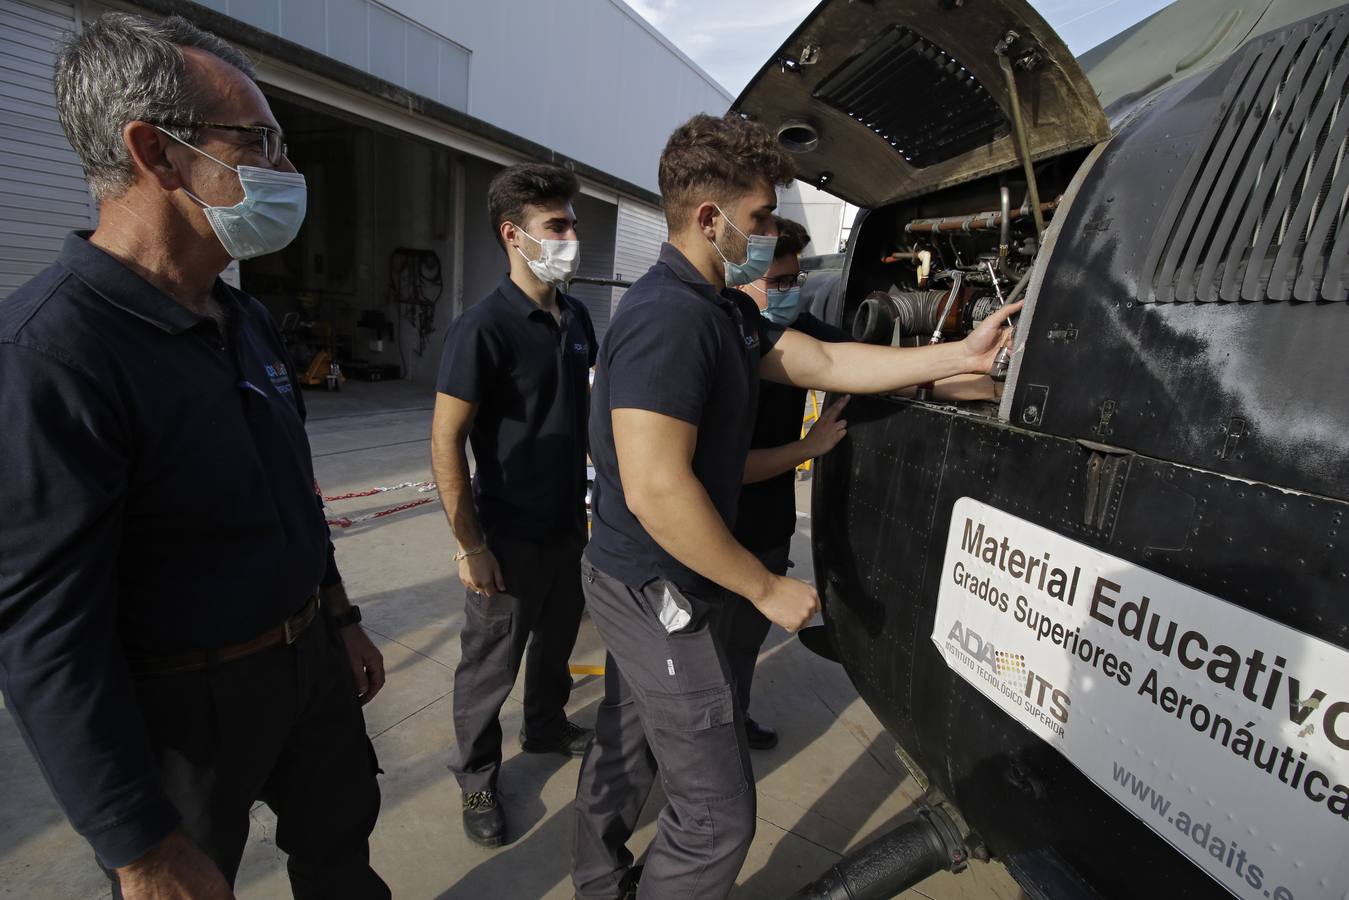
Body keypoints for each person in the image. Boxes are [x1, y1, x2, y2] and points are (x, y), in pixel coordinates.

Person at [571, 112, 1020, 900]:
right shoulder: (667, 320)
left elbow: (824, 358)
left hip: (670, 583)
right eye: (759, 216)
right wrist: (764, 587)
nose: (770, 230)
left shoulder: (723, 312)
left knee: (643, 747)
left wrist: (959, 352)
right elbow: (654, 489)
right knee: (714, 817)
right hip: (654, 589)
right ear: (708, 219)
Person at [0, 14, 388, 899]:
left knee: (343, 860)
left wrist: (338, 614)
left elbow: (291, 489)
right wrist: (139, 846)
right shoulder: (50, 358)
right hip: (182, 719)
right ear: (157, 152)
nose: (288, 172)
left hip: (307, 669)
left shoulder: (240, 315)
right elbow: (45, 639)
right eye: (260, 142)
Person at [430, 163, 597, 849]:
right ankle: (475, 774)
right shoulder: (484, 328)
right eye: (555, 226)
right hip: (506, 536)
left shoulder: (576, 316)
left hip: (567, 527)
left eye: (571, 224)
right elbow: (446, 440)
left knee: (556, 645)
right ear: (512, 235)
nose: (570, 238)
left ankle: (548, 725)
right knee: (489, 666)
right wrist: (471, 545)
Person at [726, 216, 851, 751]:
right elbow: (727, 467)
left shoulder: (800, 333)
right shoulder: (718, 343)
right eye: (777, 283)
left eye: (795, 280)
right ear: (738, 279)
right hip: (715, 538)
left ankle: (732, 718)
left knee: (742, 649)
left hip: (769, 530)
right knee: (695, 660)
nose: (790, 292)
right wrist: (808, 448)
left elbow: (860, 362)